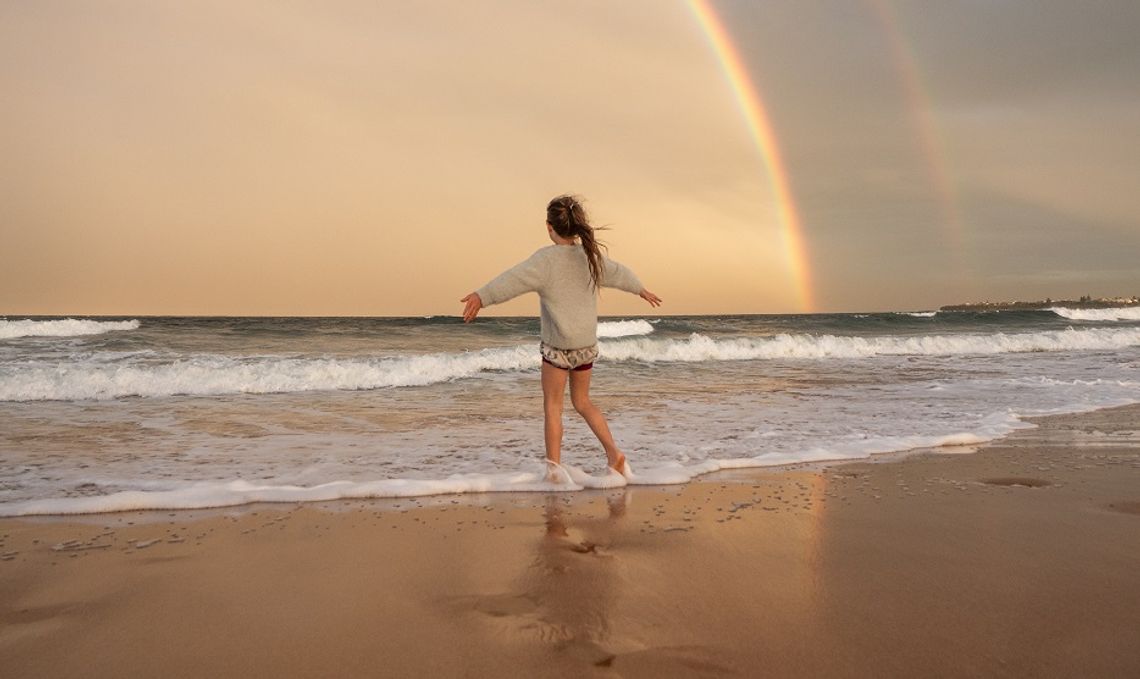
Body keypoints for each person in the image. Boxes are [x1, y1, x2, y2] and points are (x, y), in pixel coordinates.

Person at [461, 195, 662, 483]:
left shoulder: (545, 260)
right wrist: (640, 289)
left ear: (549, 227)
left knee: (553, 407)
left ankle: (554, 470)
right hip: (585, 348)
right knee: (583, 403)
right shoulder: (590, 258)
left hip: (557, 349)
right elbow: (620, 273)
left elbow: (512, 280)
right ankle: (615, 456)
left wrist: (483, 296)